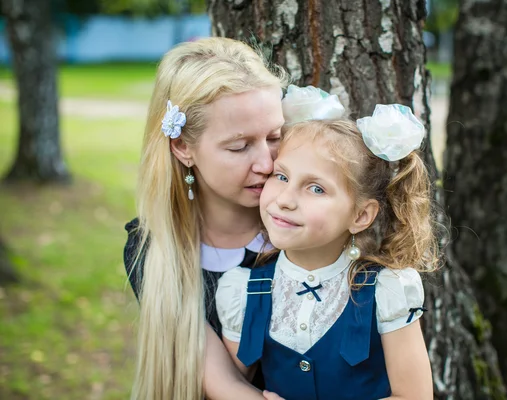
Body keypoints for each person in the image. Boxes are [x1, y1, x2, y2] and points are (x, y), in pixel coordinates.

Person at [216, 86, 437, 399]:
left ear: (361, 215)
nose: (286, 199)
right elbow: (230, 386)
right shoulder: (244, 290)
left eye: (316, 189)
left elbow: (414, 396)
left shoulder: (387, 291)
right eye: (281, 176)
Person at [123, 37, 289, 399]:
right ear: (183, 146)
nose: (267, 163)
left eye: (275, 136)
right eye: (239, 146)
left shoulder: (300, 230)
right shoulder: (157, 248)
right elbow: (222, 384)